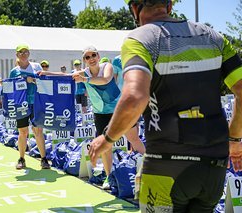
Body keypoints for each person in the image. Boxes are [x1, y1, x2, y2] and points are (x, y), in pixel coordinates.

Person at [89, 0, 242, 212]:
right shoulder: (212, 36)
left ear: (134, 8)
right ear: (169, 5)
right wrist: (234, 139)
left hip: (167, 164)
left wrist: (107, 139)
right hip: (213, 166)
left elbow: (134, 97)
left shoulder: (140, 39)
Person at [71, 45, 145, 189]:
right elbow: (67, 76)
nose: (91, 59)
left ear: (98, 56)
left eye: (93, 55)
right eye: (87, 57)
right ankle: (109, 176)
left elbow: (104, 80)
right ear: (84, 60)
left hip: (119, 109)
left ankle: (150, 170)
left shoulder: (107, 66)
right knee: (106, 147)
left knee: (133, 139)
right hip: (100, 113)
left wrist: (85, 80)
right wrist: (45, 73)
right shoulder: (84, 73)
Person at [9, 44, 50, 170]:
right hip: (20, 104)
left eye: (25, 52)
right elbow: (10, 88)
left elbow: (44, 82)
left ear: (29, 54)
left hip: (35, 102)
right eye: (20, 52)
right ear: (17, 55)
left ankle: (44, 159)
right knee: (23, 132)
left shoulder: (36, 66)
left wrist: (33, 80)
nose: (23, 54)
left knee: (38, 131)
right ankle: (21, 158)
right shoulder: (14, 71)